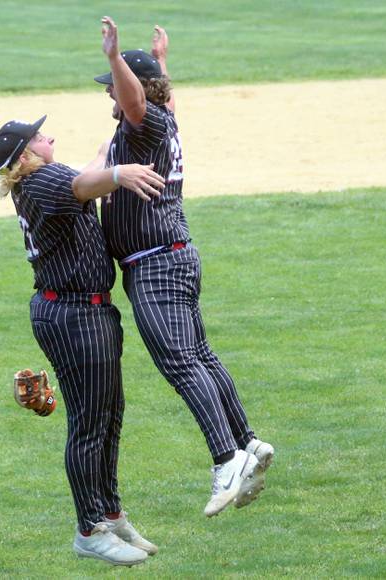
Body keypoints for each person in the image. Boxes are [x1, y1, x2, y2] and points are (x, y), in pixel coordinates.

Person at [94, 17, 275, 517]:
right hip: (174, 257)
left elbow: (137, 102)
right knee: (199, 355)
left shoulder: (144, 119)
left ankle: (227, 459)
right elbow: (159, 98)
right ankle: (248, 441)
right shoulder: (163, 119)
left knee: (180, 363)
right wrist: (162, 63)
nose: (110, 96)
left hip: (155, 265)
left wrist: (115, 60)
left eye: (111, 87)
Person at [0, 115, 165, 565]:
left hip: (84, 310)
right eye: (39, 135)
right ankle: (89, 529)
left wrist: (120, 134)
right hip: (72, 313)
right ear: (25, 154)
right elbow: (91, 185)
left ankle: (110, 512)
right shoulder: (41, 180)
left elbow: (89, 173)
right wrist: (120, 174)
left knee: (109, 414)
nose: (49, 137)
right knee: (90, 422)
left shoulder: (41, 179)